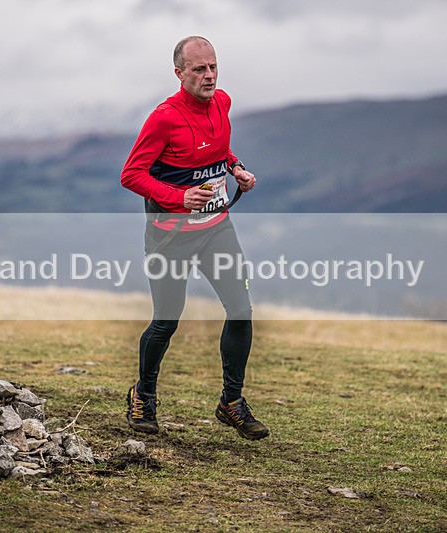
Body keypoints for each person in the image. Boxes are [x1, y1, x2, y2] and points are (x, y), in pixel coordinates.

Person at [120, 36, 269, 440]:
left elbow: (218, 150)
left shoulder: (222, 103)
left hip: (216, 229)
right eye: (199, 69)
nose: (209, 76)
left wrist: (236, 168)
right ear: (179, 73)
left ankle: (231, 402)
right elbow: (131, 175)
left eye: (213, 67)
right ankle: (143, 394)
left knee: (240, 309)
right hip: (171, 237)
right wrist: (179, 198)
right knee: (166, 321)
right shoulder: (163, 118)